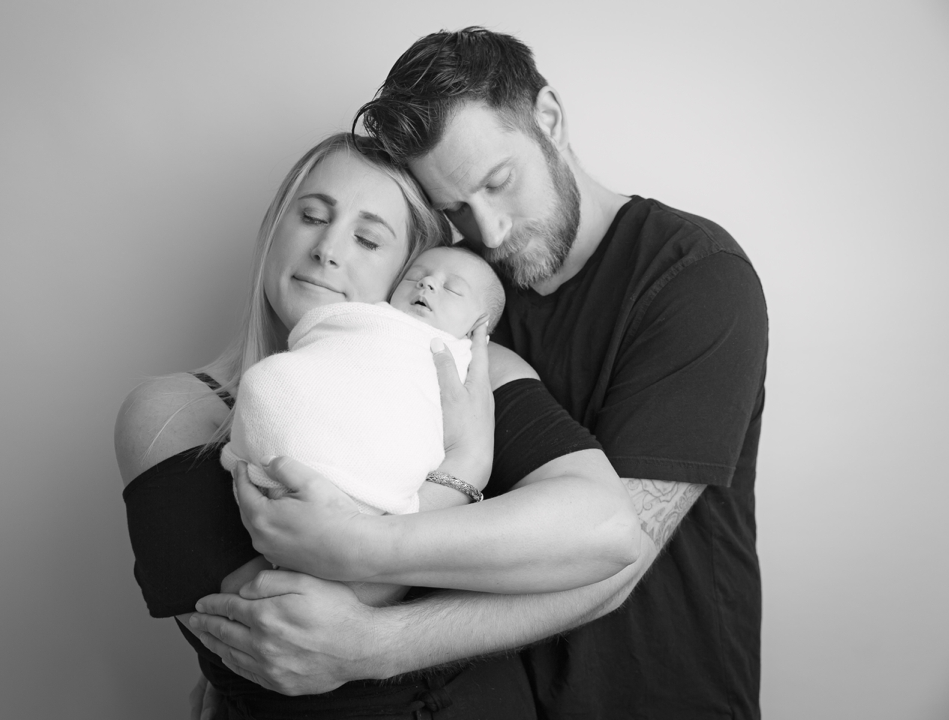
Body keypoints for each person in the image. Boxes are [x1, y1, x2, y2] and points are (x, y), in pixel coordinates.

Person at [190, 27, 769, 719]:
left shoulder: (694, 278)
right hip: (492, 693)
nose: (489, 232)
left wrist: (368, 637)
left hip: (656, 692)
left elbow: (618, 562)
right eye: (457, 208)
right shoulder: (450, 283)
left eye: (498, 183)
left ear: (548, 118)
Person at [117, 131, 641, 719]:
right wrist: (460, 473)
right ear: (273, 229)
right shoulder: (174, 413)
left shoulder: (465, 370)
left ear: (407, 275)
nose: (328, 249)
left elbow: (606, 529)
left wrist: (370, 580)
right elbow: (278, 627)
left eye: (368, 239)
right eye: (312, 216)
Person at [224, 246, 506, 517]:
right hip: (289, 429)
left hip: (370, 475)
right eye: (414, 276)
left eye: (452, 289)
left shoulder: (463, 362)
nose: (427, 283)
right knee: (268, 379)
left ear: (476, 329)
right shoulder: (369, 317)